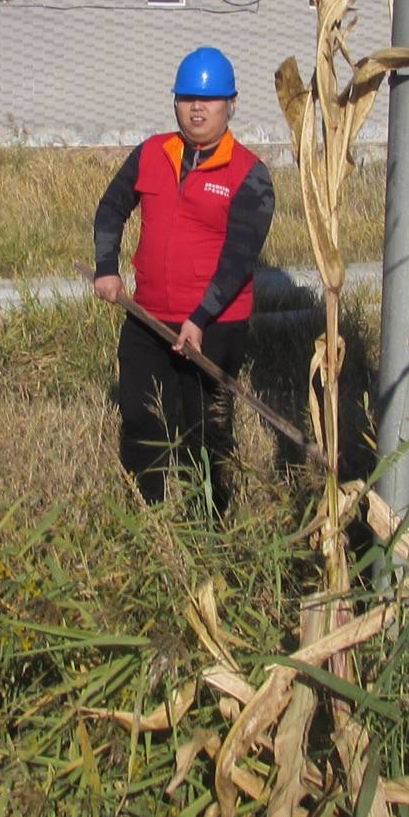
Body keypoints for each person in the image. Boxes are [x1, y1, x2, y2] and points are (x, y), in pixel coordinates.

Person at [92, 46, 275, 516]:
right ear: (175, 101)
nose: (197, 108)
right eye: (188, 97)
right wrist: (106, 266)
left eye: (209, 99)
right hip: (147, 317)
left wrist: (199, 319)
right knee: (140, 418)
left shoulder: (250, 174)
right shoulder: (153, 152)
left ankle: (207, 525)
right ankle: (144, 518)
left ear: (230, 104)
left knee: (203, 432)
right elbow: (112, 207)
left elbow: (239, 259)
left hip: (214, 327)